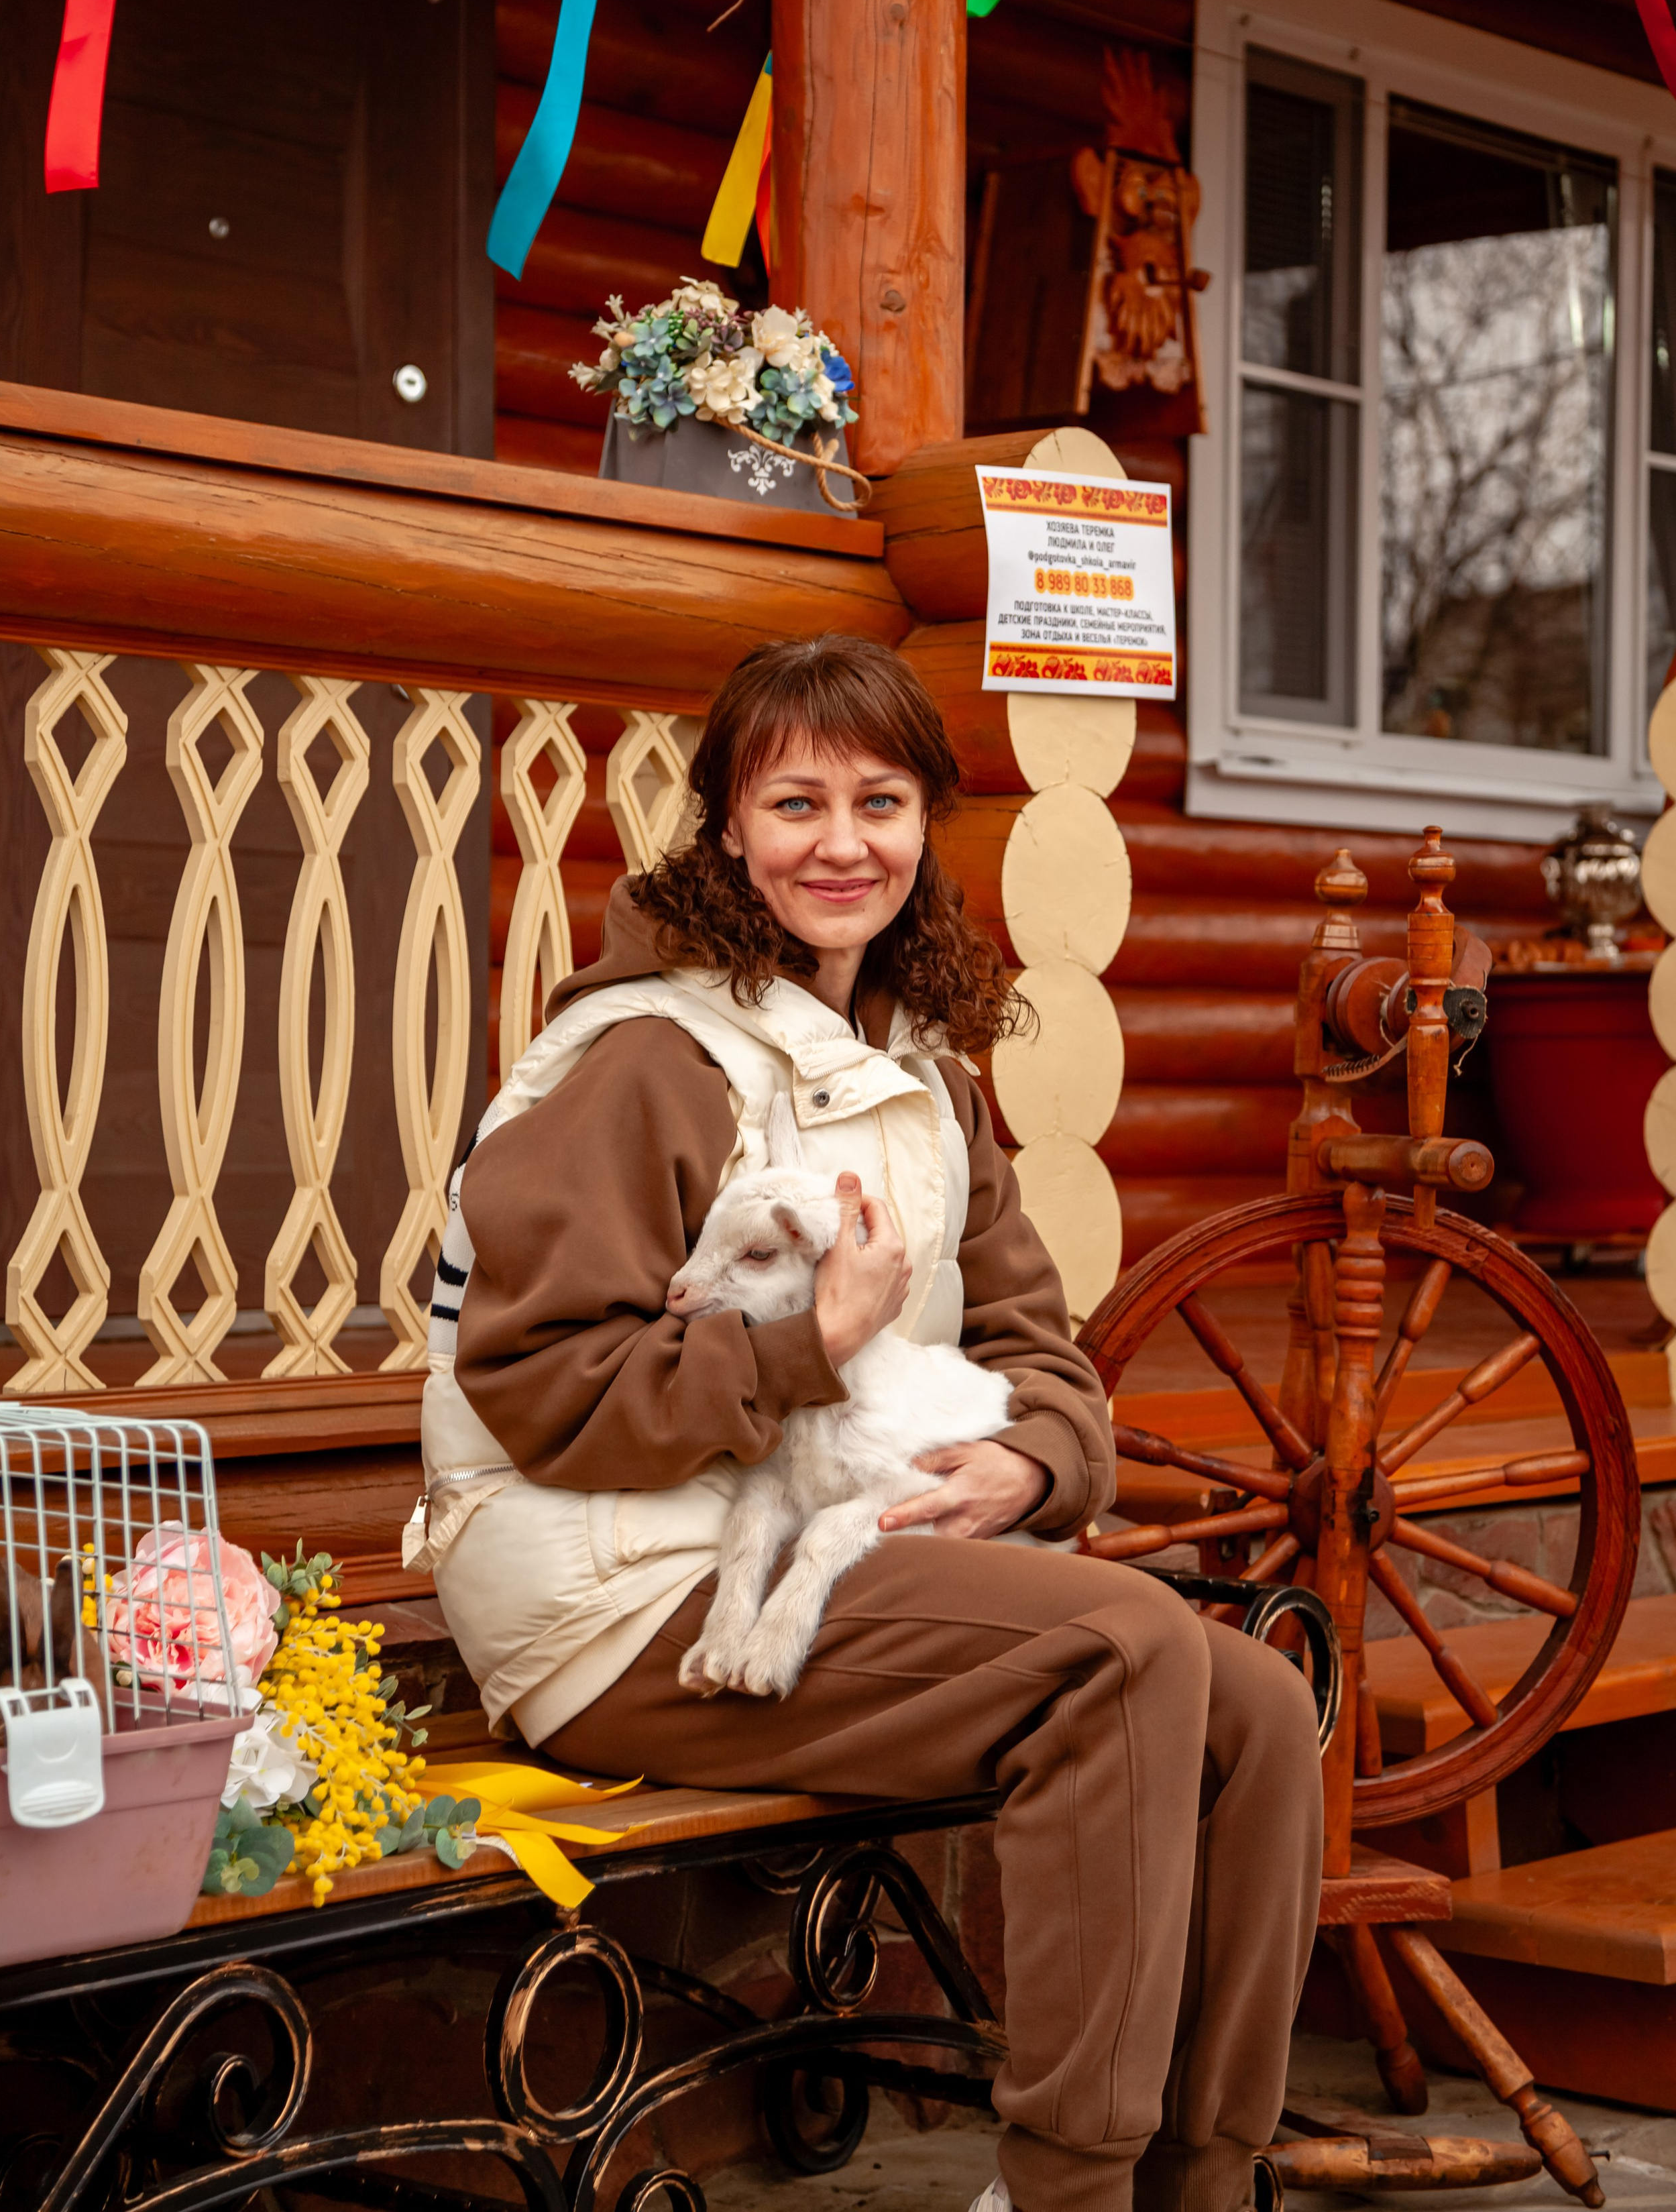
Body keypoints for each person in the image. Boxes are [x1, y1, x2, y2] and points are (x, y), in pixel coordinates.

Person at [416, 634, 1323, 2212]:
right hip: (619, 1597)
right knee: (1121, 1653)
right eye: (796, 803)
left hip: (824, 1549)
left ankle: (1204, 2177)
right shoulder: (644, 1058)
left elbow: (1033, 1339)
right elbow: (543, 1387)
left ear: (927, 825)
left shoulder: (915, 1065)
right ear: (725, 829)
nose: (842, 844)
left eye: (881, 802)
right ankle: (1075, 2191)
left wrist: (1031, 1460)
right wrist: (801, 1356)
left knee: (1248, 1700)